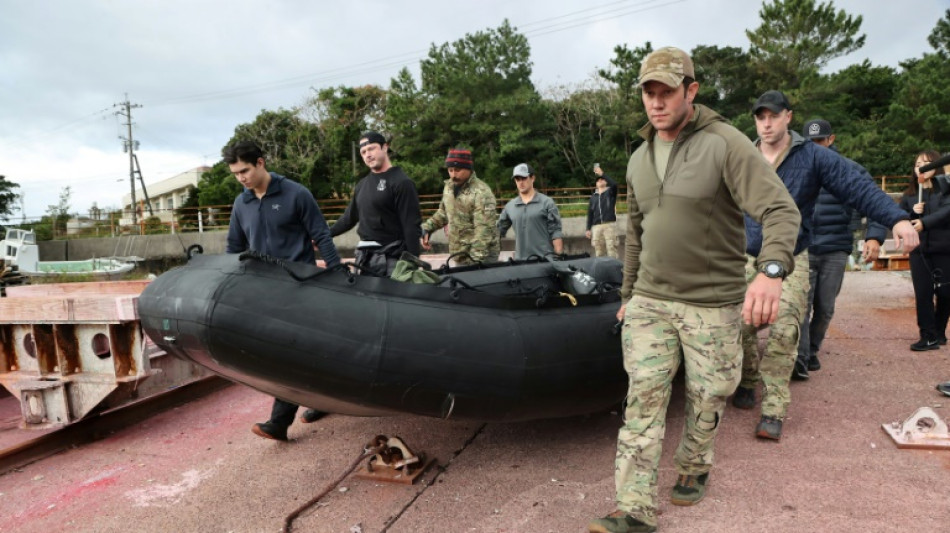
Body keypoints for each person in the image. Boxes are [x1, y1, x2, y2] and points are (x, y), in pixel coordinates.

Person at [588, 47, 801, 533]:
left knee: (708, 396)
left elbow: (780, 210)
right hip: (651, 303)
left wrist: (770, 270)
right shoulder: (639, 157)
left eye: (667, 91)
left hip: (713, 305)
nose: (657, 102)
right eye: (649, 92)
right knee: (642, 397)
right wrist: (628, 297)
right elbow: (636, 234)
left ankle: (695, 462)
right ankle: (634, 508)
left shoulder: (725, 144)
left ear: (691, 90)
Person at [733, 91, 919, 442]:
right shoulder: (742, 155)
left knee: (785, 328)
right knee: (739, 327)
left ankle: (774, 408)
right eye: (760, 117)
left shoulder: (813, 157)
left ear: (788, 116)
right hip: (746, 256)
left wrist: (896, 219)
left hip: (791, 256)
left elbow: (856, 186)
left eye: (773, 115)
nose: (767, 123)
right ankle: (747, 377)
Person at [223, 140, 341, 442]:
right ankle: (323, 400)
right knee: (300, 352)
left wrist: (338, 275)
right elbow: (234, 249)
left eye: (245, 170)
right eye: (236, 174)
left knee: (289, 353)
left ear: (261, 162)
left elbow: (321, 235)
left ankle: (279, 421)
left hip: (299, 286)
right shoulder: (242, 203)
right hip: (263, 290)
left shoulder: (296, 194)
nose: (242, 178)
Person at [793, 119, 888, 380]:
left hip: (835, 248)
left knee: (825, 307)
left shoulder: (850, 169)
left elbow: (876, 202)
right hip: (803, 248)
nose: (816, 146)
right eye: (810, 142)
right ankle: (799, 360)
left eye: (821, 140)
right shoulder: (795, 169)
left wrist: (874, 237)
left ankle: (812, 350)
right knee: (801, 306)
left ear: (831, 139)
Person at [330, 131, 422, 276]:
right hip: (364, 259)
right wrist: (325, 234)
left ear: (385, 148)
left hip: (392, 260)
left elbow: (411, 226)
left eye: (371, 148)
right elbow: (349, 218)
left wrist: (412, 264)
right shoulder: (362, 184)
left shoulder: (401, 182)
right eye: (363, 152)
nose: (368, 154)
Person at [898, 150, 950, 350]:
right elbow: (899, 219)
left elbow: (946, 213)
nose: (921, 166)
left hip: (944, 249)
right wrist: (912, 212)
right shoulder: (910, 195)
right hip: (919, 251)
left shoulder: (945, 191)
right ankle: (927, 335)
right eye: (918, 162)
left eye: (927, 162)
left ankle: (939, 330)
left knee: (945, 293)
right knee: (923, 293)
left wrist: (924, 222)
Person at [421, 148, 500, 265]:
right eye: (450, 170)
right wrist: (427, 228)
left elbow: (484, 231)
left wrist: (475, 261)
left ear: (469, 169)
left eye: (457, 170)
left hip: (481, 257)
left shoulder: (481, 192)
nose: (453, 175)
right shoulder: (449, 187)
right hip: (460, 254)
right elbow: (443, 213)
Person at [497, 163, 563, 259]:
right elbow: (497, 232)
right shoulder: (510, 206)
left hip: (545, 260)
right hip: (521, 262)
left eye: (524, 178)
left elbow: (556, 232)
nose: (521, 182)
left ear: (532, 178)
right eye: (517, 179)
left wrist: (559, 259)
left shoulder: (547, 203)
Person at [585, 163, 619, 258]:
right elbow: (590, 213)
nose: (600, 181)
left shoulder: (610, 192)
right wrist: (588, 228)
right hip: (596, 227)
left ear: (606, 182)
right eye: (598, 180)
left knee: (612, 251)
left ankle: (614, 271)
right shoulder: (593, 197)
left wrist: (602, 174)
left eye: (602, 179)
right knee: (599, 253)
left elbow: (615, 184)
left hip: (609, 225)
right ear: (596, 184)